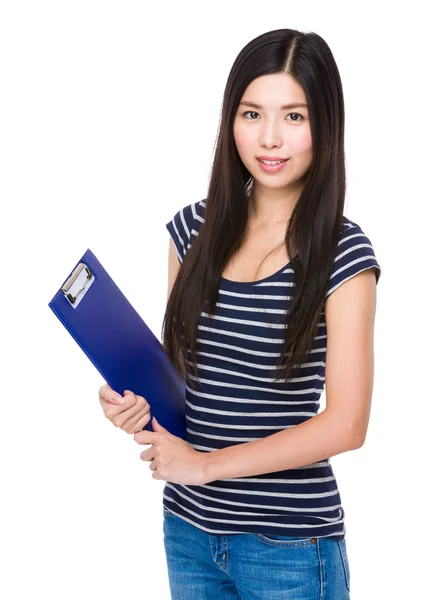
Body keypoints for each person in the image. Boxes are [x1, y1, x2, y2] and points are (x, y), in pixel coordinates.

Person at [99, 27, 381, 600]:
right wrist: (132, 403)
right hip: (187, 528)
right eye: (252, 114)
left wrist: (206, 465)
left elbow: (347, 425)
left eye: (294, 117)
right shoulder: (191, 230)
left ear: (324, 125)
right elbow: (181, 376)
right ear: (231, 120)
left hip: (288, 547)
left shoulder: (344, 255)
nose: (270, 138)